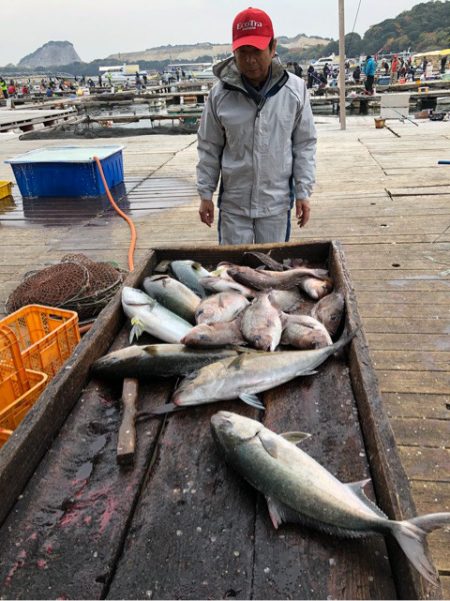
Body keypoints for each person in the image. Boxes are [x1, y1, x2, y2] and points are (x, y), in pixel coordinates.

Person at [197, 7, 316, 245]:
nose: (250, 60)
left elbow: (304, 145)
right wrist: (205, 194)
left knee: (270, 269)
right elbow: (209, 147)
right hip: (234, 205)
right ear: (234, 52)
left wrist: (303, 192)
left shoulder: (295, 90)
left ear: (273, 48)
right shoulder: (219, 95)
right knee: (234, 270)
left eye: (257, 51)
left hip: (276, 204)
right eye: (243, 52)